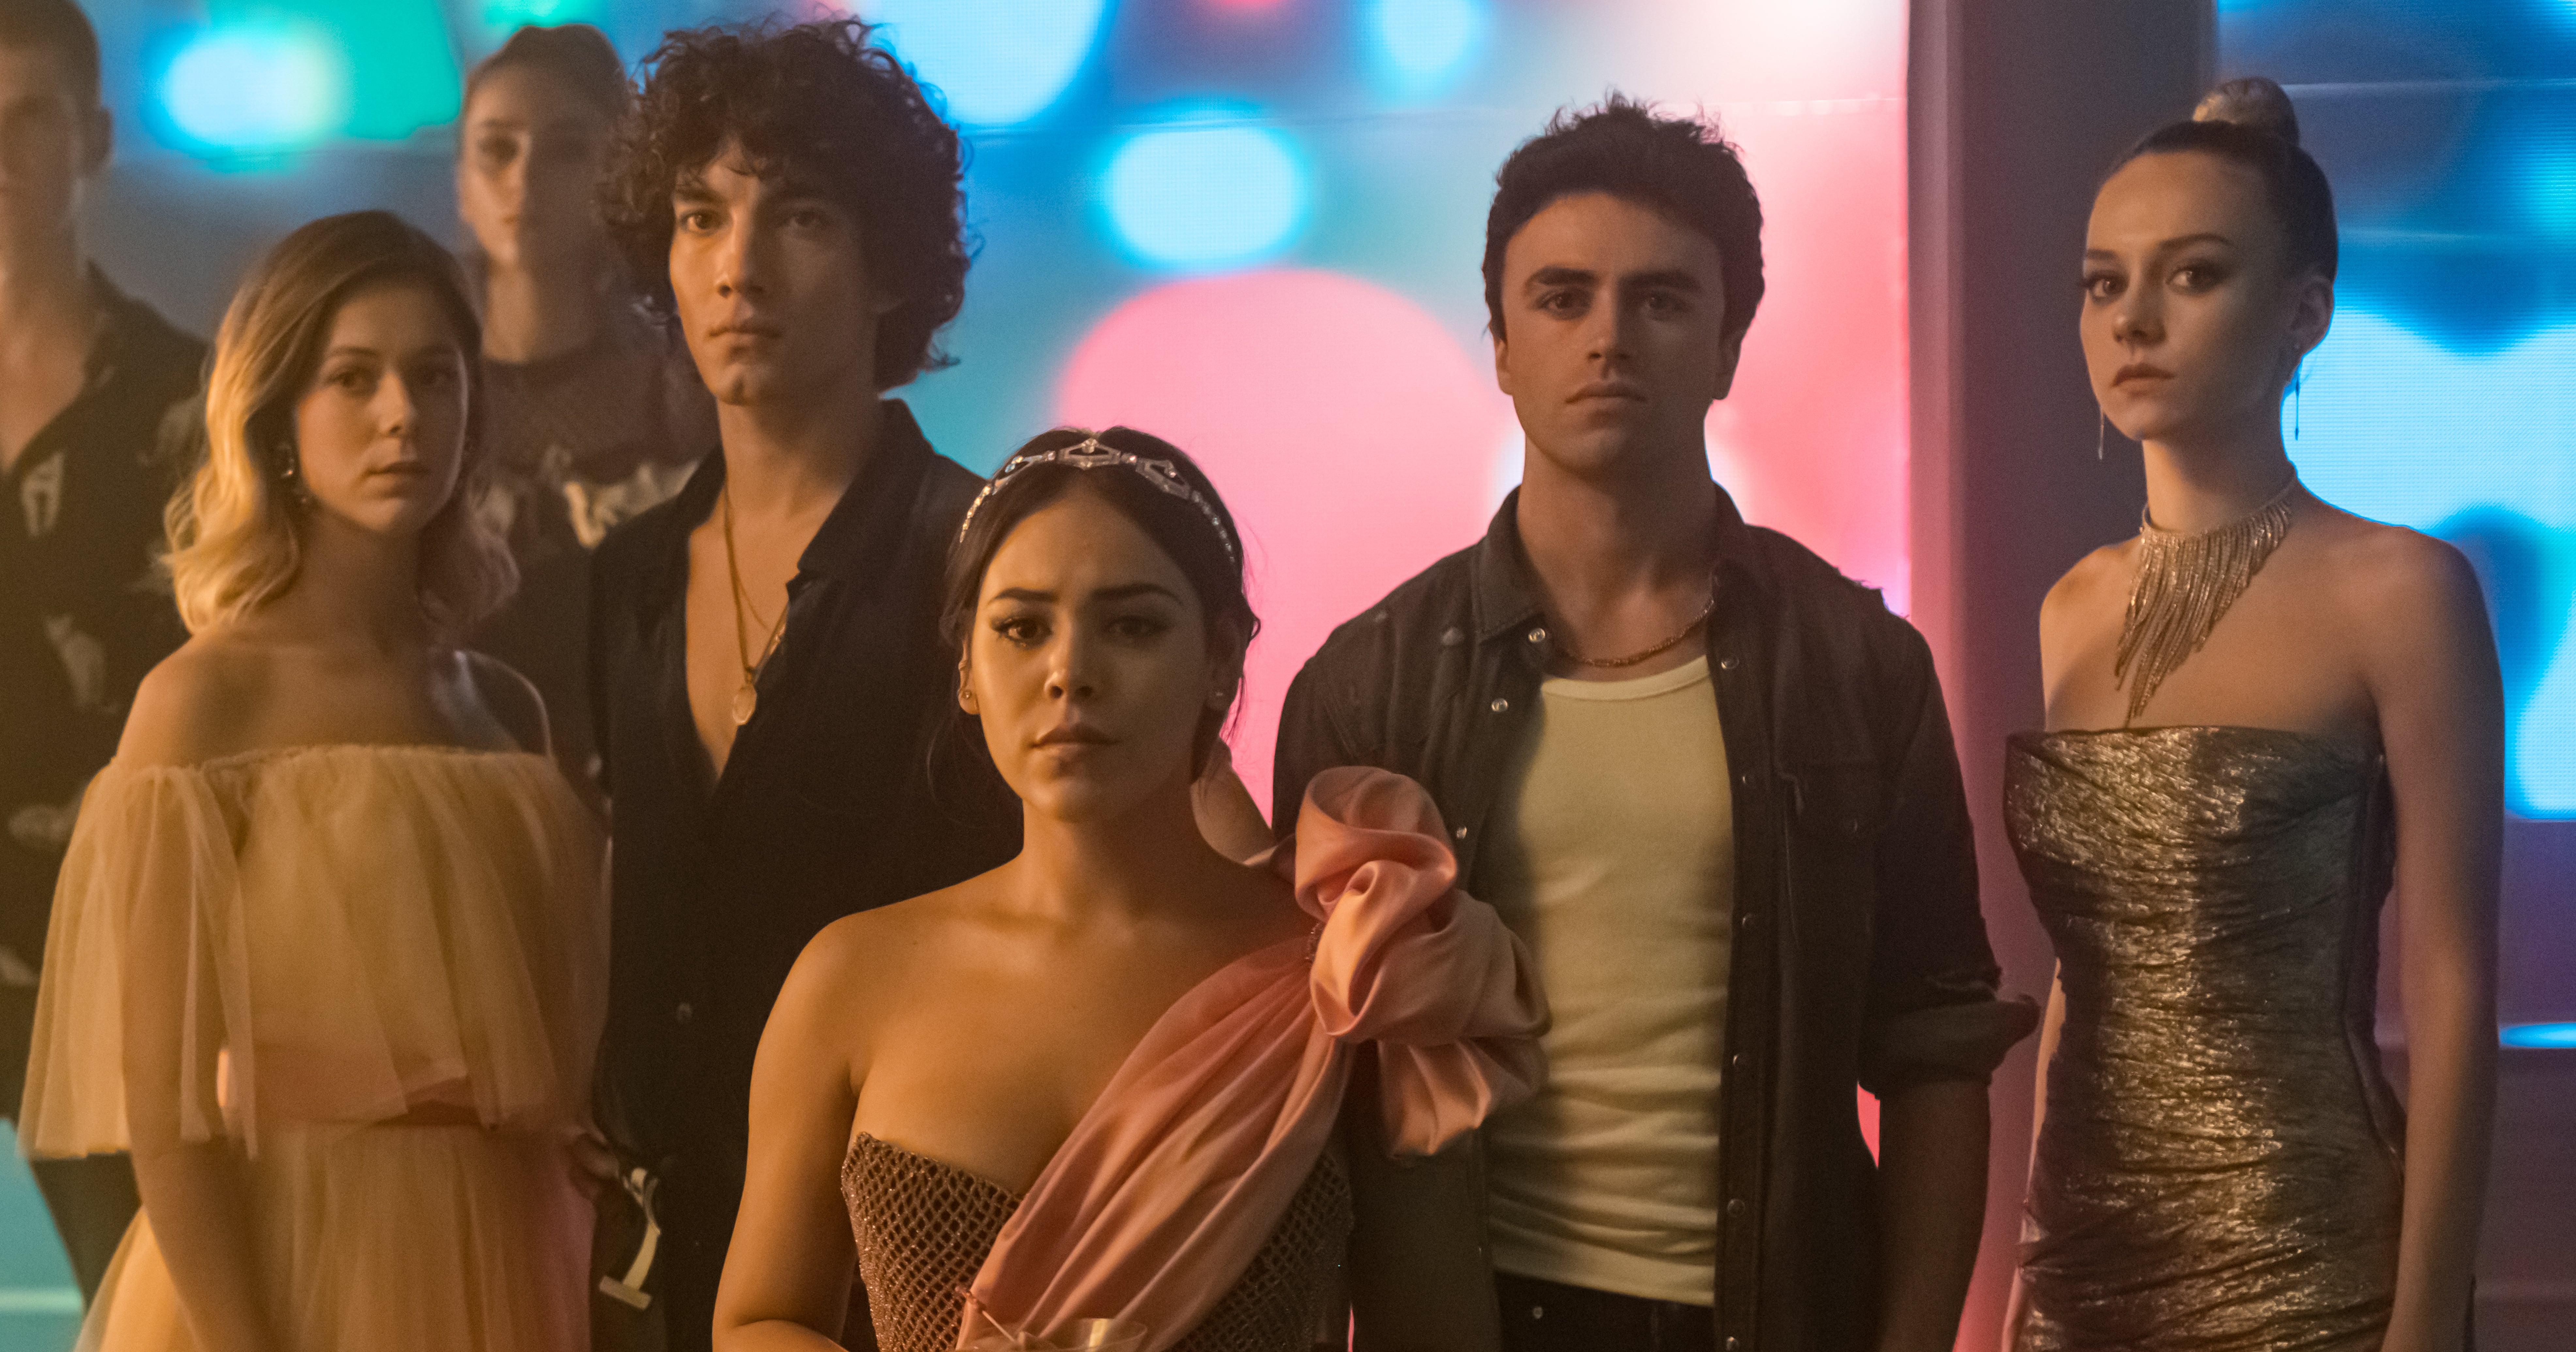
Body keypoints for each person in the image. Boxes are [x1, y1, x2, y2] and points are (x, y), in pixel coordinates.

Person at [1273, 97, 2034, 1352]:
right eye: (1562, 298)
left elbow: (1937, 1048)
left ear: (1729, 346)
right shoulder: (1372, 685)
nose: (1609, 339)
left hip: (1773, 1318)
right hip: (1469, 1317)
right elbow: (1300, 1085)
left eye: (1662, 301)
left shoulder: (1857, 665)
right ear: (1501, 343)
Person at [715, 427, 1547, 1352]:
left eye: (1133, 626)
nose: (1070, 673)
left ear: (1222, 659)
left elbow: (1433, 1331)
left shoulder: (1346, 978)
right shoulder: (850, 977)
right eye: (1022, 628)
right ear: (965, 669)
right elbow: (759, 1317)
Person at [17, 210, 605, 1352]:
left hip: (510, 1258)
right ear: (278, 418)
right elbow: (168, 1122)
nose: (403, 414)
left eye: (436, 377)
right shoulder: (203, 703)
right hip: (291, 1269)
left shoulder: (503, 708)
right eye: (353, 377)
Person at [2003, 78, 2497, 1352]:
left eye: (2193, 275)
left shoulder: (2401, 593)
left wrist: (2424, 1324)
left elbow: (2451, 986)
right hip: (2078, 1270)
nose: (2132, 319)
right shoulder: (2070, 609)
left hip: (2309, 1266)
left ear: (2304, 311)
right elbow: (2084, 972)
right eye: (2102, 283)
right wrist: (2019, 1275)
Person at [587, 21, 1024, 1348]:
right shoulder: (628, 575)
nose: (739, 266)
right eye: (700, 217)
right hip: (655, 1262)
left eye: (800, 217)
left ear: (889, 267)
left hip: (917, 1261)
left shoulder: (983, 558)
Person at [0, 0, 206, 1305]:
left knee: (144, 1300)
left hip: (111, 956)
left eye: (28, 116)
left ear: (95, 137)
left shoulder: (190, 405)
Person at [457, 22, 714, 799]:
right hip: (461, 770)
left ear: (618, 175)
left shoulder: (678, 379)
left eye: (566, 149)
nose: (524, 179)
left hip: (644, 775)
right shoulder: (419, 378)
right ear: (461, 179)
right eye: (496, 149)